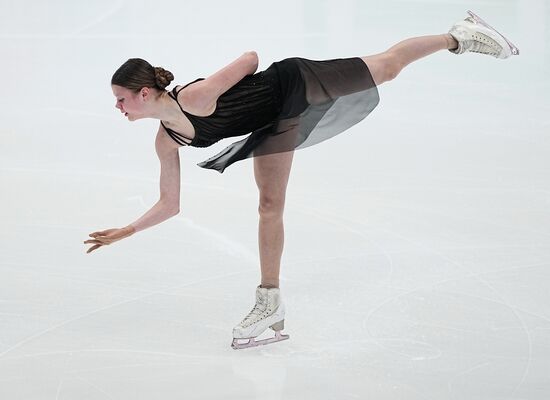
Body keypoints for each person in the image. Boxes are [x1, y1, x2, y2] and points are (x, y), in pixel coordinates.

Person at [84, 11, 518, 349]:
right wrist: (127, 230)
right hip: (273, 125)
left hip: (292, 84)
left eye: (121, 99)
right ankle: (269, 302)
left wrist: (237, 93)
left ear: (144, 94)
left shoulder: (195, 98)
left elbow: (252, 59)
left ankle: (459, 35)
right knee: (269, 206)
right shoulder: (166, 140)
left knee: (386, 67)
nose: (118, 107)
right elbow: (170, 203)